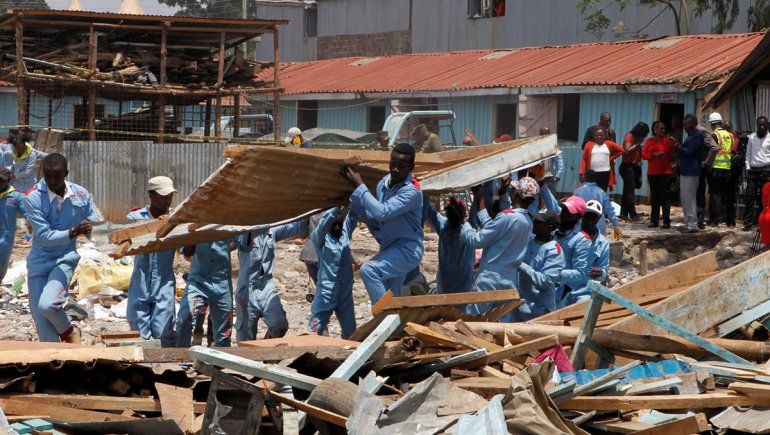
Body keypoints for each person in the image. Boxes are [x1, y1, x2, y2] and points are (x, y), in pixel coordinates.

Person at [23, 154, 99, 343]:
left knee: (48, 305)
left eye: (57, 177)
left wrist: (90, 228)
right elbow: (45, 237)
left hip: (63, 260)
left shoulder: (81, 194)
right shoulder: (33, 198)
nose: (53, 182)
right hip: (39, 263)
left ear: (66, 173)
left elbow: (95, 223)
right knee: (45, 332)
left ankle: (70, 333)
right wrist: (74, 231)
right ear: (43, 174)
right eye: (48, 177)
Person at [342, 143, 423, 304]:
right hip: (388, 249)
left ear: (411, 167)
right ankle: (393, 324)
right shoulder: (383, 185)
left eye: (402, 166)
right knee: (391, 295)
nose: (395, 170)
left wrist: (360, 187)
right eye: (393, 164)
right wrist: (353, 202)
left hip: (407, 250)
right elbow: (376, 219)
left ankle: (385, 317)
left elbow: (382, 212)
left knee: (369, 271)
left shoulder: (412, 191)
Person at [462, 178, 538, 318]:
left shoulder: (507, 218)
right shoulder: (527, 222)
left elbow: (478, 240)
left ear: (516, 193)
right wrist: (481, 197)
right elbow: (492, 226)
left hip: (490, 278)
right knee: (499, 323)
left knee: (473, 320)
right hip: (509, 280)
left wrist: (464, 223)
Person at [235, 218, 308, 341]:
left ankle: (266, 350)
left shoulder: (272, 230)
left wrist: (311, 210)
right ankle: (250, 358)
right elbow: (243, 245)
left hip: (266, 285)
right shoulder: (241, 231)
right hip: (247, 288)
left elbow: (297, 227)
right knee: (246, 336)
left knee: (279, 325)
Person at [126, 176, 177, 346]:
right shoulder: (135, 218)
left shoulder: (176, 219)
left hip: (164, 281)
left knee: (164, 330)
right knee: (139, 332)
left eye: (169, 196)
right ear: (151, 195)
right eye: (163, 197)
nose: (167, 201)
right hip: (140, 280)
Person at [307, 206, 358, 339]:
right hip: (326, 293)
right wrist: (336, 207)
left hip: (345, 292)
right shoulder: (320, 237)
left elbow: (353, 216)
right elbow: (324, 223)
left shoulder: (344, 234)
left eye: (341, 220)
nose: (338, 223)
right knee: (314, 328)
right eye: (335, 220)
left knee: (351, 333)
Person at [176, 239, 234, 348]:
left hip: (221, 282)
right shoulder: (194, 224)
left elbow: (244, 245)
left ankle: (220, 362)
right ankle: (181, 358)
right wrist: (195, 235)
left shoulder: (227, 224)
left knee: (224, 332)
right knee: (184, 319)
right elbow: (187, 252)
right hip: (198, 281)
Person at [516, 211, 564, 320]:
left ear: (549, 228)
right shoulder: (530, 240)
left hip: (540, 310)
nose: (534, 223)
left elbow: (545, 281)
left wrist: (519, 264)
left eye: (538, 222)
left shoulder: (554, 251)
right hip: (521, 305)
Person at [562, 200, 610, 304]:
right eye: (588, 216)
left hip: (584, 292)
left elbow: (604, 271)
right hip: (562, 287)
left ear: (598, 219)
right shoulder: (570, 234)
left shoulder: (603, 243)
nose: (590, 221)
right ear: (582, 216)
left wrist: (601, 273)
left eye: (594, 218)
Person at [424, 196, 475, 294]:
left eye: (452, 211)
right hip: (448, 287)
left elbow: (429, 209)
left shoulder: (466, 230)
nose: (450, 214)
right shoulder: (445, 226)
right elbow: (428, 209)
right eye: (449, 211)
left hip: (460, 287)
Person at [553, 196, 587, 307]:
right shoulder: (553, 232)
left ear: (578, 217)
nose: (563, 214)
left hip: (563, 291)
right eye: (564, 210)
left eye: (569, 212)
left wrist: (555, 274)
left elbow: (579, 273)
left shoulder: (580, 240)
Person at [642, 121, 676, 228]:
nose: (662, 130)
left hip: (665, 172)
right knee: (654, 197)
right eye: (660, 129)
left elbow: (675, 152)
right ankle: (654, 221)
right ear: (655, 130)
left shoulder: (668, 140)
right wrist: (653, 155)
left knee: (665, 198)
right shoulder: (649, 141)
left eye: (664, 128)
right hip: (652, 173)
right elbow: (643, 155)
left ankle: (666, 221)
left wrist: (675, 163)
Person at [677, 114, 707, 233]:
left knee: (690, 199)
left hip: (691, 171)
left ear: (694, 124)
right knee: (685, 199)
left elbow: (689, 152)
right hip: (685, 171)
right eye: (684, 124)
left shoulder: (697, 135)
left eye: (687, 124)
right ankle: (687, 223)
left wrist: (678, 146)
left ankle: (692, 225)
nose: (685, 126)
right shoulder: (690, 136)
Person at [705, 113, 734, 227]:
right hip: (727, 168)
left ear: (712, 124)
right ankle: (722, 218)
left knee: (714, 194)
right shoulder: (730, 135)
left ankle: (715, 219)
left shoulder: (714, 135)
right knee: (723, 194)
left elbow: (711, 151)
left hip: (716, 167)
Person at [573, 170, 622, 239]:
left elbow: (573, 210)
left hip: (581, 228)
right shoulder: (602, 192)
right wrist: (616, 226)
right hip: (599, 228)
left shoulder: (578, 191)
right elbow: (610, 211)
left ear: (584, 177)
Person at [618, 122, 650, 221]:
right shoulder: (630, 137)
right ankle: (633, 215)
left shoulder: (637, 139)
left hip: (633, 166)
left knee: (627, 191)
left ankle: (623, 214)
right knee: (630, 192)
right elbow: (626, 150)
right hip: (627, 167)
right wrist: (638, 144)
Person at [743, 116, 770, 231]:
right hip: (753, 171)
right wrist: (748, 167)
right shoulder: (752, 137)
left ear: (767, 125)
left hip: (766, 171)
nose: (762, 127)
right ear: (757, 125)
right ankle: (747, 224)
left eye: (764, 125)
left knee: (763, 200)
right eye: (760, 125)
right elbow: (748, 154)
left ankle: (761, 224)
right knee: (749, 197)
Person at [579, 127, 625, 191]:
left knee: (602, 191)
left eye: (601, 135)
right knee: (592, 191)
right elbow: (584, 159)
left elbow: (621, 150)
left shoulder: (609, 144)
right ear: (594, 136)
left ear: (605, 136)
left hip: (605, 173)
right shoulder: (589, 145)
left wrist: (611, 158)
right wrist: (581, 173)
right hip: (592, 173)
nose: (599, 137)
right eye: (597, 135)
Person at [0, 167, 25, 282]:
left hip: (5, 242)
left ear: (9, 180)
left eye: (2, 180)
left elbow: (29, 213)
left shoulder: (16, 197)